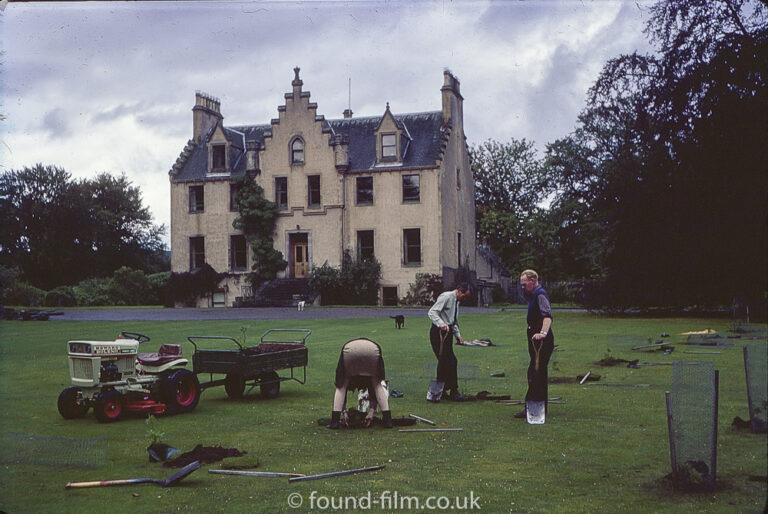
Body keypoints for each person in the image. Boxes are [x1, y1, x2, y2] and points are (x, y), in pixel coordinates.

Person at [327, 338, 393, 429]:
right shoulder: (369, 379)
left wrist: (344, 412)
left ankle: (335, 422)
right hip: (373, 349)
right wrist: (372, 411)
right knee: (377, 385)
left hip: (349, 350)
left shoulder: (350, 377)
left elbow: (342, 388)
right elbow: (373, 391)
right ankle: (387, 421)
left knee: (341, 386)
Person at [515, 270, 555, 419]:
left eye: (525, 284)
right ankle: (538, 406)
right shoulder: (533, 295)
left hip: (542, 341)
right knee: (536, 372)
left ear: (533, 281)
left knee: (536, 373)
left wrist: (542, 333)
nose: (523, 287)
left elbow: (547, 317)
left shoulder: (540, 294)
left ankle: (532, 408)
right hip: (535, 340)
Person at [427, 283, 472, 402]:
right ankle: (452, 391)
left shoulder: (457, 301)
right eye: (464, 295)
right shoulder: (446, 297)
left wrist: (458, 336)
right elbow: (432, 312)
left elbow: (453, 321)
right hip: (438, 333)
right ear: (458, 291)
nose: (464, 299)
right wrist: (441, 324)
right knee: (449, 361)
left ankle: (441, 390)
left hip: (448, 333)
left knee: (445, 361)